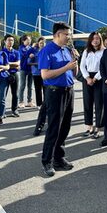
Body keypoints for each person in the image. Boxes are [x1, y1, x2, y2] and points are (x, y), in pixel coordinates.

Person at [38, 22, 78, 177]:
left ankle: (59, 158)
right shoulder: (46, 51)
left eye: (69, 34)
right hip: (55, 92)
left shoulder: (67, 50)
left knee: (65, 126)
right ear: (57, 34)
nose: (68, 37)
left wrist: (75, 62)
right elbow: (45, 75)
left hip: (69, 90)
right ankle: (46, 161)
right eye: (66, 34)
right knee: (54, 127)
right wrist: (66, 67)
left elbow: (73, 72)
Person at [80, 32, 105, 138]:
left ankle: (98, 128)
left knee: (99, 104)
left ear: (100, 40)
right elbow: (81, 66)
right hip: (87, 78)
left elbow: (104, 67)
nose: (95, 40)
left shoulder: (104, 51)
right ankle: (89, 126)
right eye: (93, 39)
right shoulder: (86, 51)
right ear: (90, 40)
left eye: (97, 39)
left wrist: (95, 78)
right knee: (87, 103)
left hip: (99, 78)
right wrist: (87, 78)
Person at [3, 34, 20, 117]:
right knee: (3, 94)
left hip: (14, 74)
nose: (10, 42)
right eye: (9, 40)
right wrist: (12, 64)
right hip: (4, 74)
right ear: (5, 41)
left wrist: (7, 64)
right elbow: (1, 64)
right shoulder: (1, 52)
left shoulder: (16, 52)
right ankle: (2, 111)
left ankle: (15, 109)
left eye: (12, 40)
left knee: (15, 93)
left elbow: (18, 64)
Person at [18, 34, 34, 108]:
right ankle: (21, 101)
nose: (29, 41)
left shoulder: (31, 48)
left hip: (31, 69)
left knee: (30, 86)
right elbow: (25, 54)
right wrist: (31, 51)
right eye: (27, 40)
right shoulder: (21, 48)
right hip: (23, 69)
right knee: (22, 85)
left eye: (30, 40)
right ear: (23, 41)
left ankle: (29, 101)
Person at [29, 37, 45, 109]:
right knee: (38, 89)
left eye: (43, 43)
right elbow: (29, 62)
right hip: (36, 73)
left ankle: (46, 103)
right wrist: (31, 57)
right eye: (41, 43)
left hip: (46, 73)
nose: (42, 44)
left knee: (46, 89)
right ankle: (39, 104)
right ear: (38, 44)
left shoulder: (47, 51)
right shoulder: (35, 51)